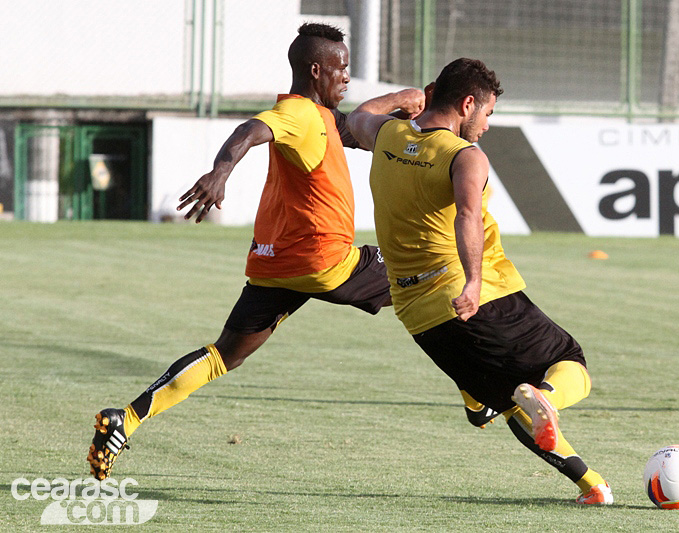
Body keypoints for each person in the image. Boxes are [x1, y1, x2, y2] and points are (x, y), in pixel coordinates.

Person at [86, 22, 426, 480]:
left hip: (275, 264)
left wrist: (399, 102)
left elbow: (356, 129)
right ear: (315, 70)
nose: (347, 77)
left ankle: (123, 419)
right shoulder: (300, 115)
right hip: (325, 261)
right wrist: (220, 172)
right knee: (429, 274)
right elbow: (251, 129)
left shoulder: (321, 117)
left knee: (225, 354)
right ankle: (479, 395)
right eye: (341, 69)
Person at [346, 58, 613, 505]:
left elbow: (356, 117)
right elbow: (467, 215)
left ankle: (593, 486)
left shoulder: (389, 135)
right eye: (487, 113)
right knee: (570, 362)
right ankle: (546, 395)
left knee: (510, 406)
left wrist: (403, 99)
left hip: (418, 315)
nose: (487, 125)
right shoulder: (464, 156)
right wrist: (472, 283)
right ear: (468, 104)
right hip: (474, 296)